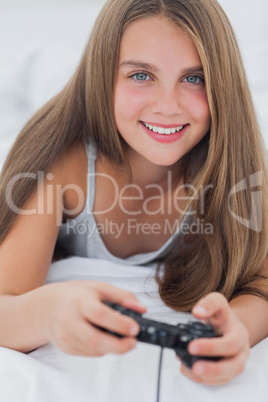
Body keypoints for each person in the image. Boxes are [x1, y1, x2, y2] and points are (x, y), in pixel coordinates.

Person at [0, 0, 268, 386]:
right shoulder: (59, 161)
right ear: (104, 75)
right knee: (40, 75)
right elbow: (6, 302)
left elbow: (261, 282)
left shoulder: (232, 164)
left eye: (194, 78)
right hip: (78, 114)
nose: (168, 105)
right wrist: (47, 313)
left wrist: (238, 327)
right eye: (141, 74)